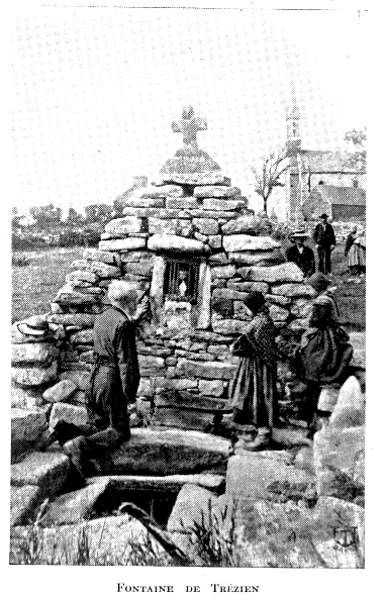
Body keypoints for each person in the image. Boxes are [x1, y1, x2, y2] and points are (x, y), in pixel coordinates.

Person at [37, 280, 150, 478]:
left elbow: (113, 335)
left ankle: (63, 429)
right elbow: (127, 364)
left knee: (99, 426)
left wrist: (133, 320)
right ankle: (80, 445)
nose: (136, 303)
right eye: (134, 300)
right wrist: (130, 395)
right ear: (128, 301)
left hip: (94, 378)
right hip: (110, 380)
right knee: (119, 431)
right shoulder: (124, 324)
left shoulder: (103, 317)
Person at [228, 291, 278, 451]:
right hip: (261, 366)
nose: (245, 311)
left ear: (254, 307)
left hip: (255, 367)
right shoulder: (266, 320)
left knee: (254, 397)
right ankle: (251, 433)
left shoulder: (256, 324)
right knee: (256, 398)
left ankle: (262, 436)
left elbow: (237, 347)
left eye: (247, 308)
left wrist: (233, 348)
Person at [299, 272, 353, 387]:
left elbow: (317, 320)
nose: (308, 292)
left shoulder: (322, 301)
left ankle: (316, 376)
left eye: (310, 289)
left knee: (313, 351)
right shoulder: (327, 296)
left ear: (317, 288)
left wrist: (305, 325)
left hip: (326, 333)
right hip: (329, 329)